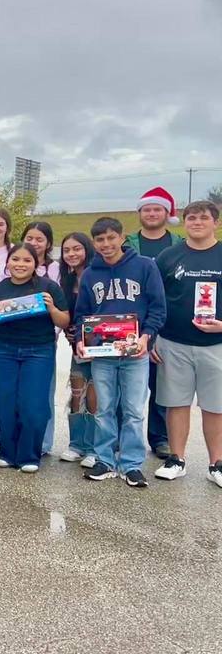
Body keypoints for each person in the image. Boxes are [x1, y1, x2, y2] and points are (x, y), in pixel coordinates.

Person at [75, 216, 166, 488]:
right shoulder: (91, 274)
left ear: (122, 237)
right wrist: (82, 339)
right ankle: (104, 459)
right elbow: (82, 315)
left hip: (134, 352)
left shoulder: (145, 266)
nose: (106, 244)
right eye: (100, 240)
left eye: (111, 238)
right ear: (94, 242)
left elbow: (158, 308)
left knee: (133, 410)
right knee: (104, 409)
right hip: (103, 354)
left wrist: (146, 338)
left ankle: (131, 464)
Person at [0, 243, 69, 472]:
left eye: (27, 260)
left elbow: (64, 321)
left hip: (38, 351)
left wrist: (51, 308)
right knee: (2, 402)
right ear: (8, 263)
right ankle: (7, 452)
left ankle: (29, 455)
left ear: (36, 263)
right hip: (4, 351)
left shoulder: (48, 288)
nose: (20, 264)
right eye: (16, 260)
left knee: (34, 405)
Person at [152, 201, 222, 487]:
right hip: (173, 342)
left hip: (216, 344)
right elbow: (155, 300)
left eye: (203, 218)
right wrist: (153, 336)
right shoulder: (169, 256)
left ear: (215, 222)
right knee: (175, 403)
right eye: (191, 218)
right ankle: (177, 459)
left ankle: (216, 463)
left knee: (215, 407)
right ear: (183, 222)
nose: (196, 222)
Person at [125, 186, 183, 460]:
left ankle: (160, 438)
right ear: (139, 213)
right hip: (128, 326)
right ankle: (122, 437)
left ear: (167, 213)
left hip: (167, 327)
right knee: (125, 389)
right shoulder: (126, 244)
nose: (151, 213)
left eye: (156, 209)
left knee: (162, 387)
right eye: (146, 209)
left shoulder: (179, 246)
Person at [58, 232, 98, 467]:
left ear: (87, 249)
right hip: (77, 348)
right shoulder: (66, 280)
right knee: (76, 393)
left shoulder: (97, 276)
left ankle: (94, 447)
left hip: (100, 347)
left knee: (95, 396)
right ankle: (76, 444)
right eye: (66, 250)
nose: (72, 254)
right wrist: (68, 331)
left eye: (77, 249)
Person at [21, 220, 60, 454]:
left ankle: (43, 443)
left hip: (43, 341)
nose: (34, 243)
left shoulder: (55, 270)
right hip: (11, 340)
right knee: (13, 394)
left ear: (48, 244)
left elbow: (61, 305)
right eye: (29, 238)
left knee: (42, 394)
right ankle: (5, 439)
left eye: (39, 239)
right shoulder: (13, 263)